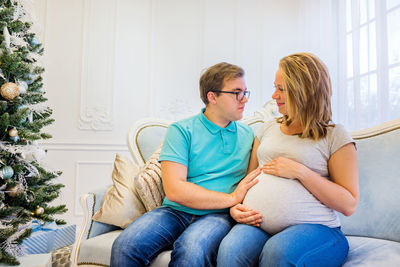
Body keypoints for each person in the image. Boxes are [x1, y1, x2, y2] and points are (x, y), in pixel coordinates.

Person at [110, 62, 261, 267]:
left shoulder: (249, 136)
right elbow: (175, 190)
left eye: (245, 92)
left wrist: (234, 204)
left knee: (191, 250)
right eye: (236, 92)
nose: (244, 99)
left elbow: (250, 184)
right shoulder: (181, 130)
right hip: (174, 211)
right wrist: (231, 198)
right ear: (212, 97)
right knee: (125, 246)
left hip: (218, 216)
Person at [217, 53, 359, 267]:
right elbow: (248, 179)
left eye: (282, 89)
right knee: (230, 251)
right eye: (275, 87)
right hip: (258, 225)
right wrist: (235, 206)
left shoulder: (335, 135)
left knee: (278, 254)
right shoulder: (267, 128)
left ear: (305, 91)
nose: (274, 95)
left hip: (318, 229)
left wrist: (301, 172)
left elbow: (348, 204)